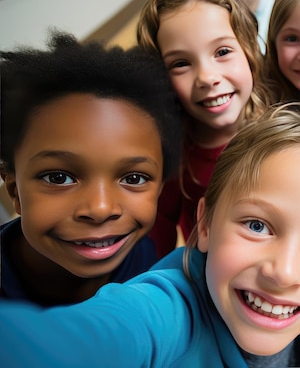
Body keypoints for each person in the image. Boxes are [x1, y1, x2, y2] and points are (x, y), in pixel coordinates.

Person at [0, 105, 300, 368]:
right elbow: (82, 342)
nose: (286, 274)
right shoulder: (163, 316)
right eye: (257, 225)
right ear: (206, 225)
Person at [0, 31, 183, 306]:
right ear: (15, 191)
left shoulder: (147, 262)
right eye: (59, 177)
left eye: (133, 178)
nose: (100, 209)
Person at [136, 0, 274, 258]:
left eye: (222, 52)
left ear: (249, 52)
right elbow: (156, 233)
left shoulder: (282, 133)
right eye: (181, 63)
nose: (207, 78)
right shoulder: (172, 153)